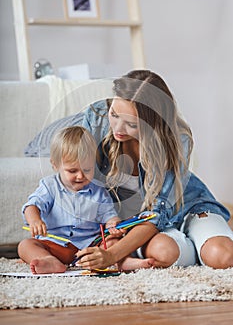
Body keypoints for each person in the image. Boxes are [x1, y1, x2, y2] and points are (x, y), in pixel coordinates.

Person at [72, 69, 233, 271]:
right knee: (164, 253)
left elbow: (158, 213)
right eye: (114, 114)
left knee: (223, 257)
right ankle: (194, 249)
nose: (118, 129)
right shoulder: (97, 117)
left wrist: (112, 254)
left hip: (189, 208)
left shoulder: (176, 136)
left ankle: (202, 245)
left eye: (131, 124)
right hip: (137, 225)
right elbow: (68, 156)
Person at [18, 126, 126, 274]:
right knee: (25, 245)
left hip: (89, 248)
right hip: (56, 246)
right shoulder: (49, 186)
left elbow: (109, 216)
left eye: (87, 170)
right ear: (55, 165)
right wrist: (35, 221)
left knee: (114, 243)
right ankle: (50, 261)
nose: (81, 176)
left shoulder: (99, 192)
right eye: (72, 171)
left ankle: (123, 262)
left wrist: (113, 223)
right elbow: (31, 206)